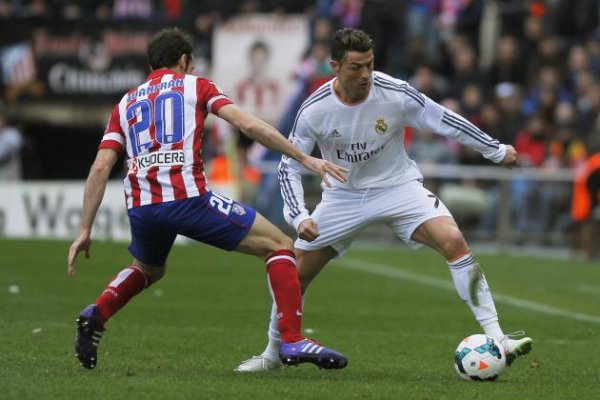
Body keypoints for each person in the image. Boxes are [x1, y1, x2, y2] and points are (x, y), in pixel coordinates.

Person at [236, 28, 533, 372]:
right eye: (356, 67)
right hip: (343, 196)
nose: (365, 74)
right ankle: (272, 355)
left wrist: (495, 150)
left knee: (453, 239)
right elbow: (289, 164)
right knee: (294, 273)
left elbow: (445, 120)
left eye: (370, 65)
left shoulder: (394, 92)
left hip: (397, 187)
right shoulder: (315, 109)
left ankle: (498, 338)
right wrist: (299, 216)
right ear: (335, 67)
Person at [67, 28, 350, 371]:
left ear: (152, 64)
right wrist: (304, 157)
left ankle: (96, 312)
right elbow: (247, 125)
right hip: (187, 199)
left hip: (141, 206)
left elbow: (101, 167)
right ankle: (291, 339)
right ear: (184, 60)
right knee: (278, 245)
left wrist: (85, 229)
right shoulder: (197, 86)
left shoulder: (125, 103)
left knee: (148, 268)